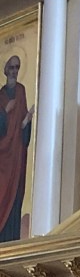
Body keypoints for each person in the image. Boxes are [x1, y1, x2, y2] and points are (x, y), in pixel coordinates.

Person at [0, 54, 31, 244]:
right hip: (2, 157)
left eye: (17, 67)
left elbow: (21, 127)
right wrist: (5, 112)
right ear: (5, 70)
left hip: (17, 155)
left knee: (15, 195)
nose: (14, 71)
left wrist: (26, 121)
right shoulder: (1, 95)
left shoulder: (21, 90)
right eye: (11, 67)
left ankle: (12, 239)